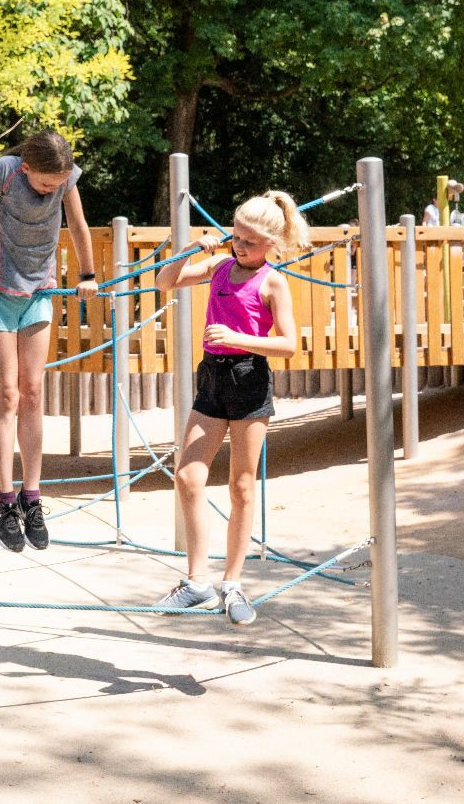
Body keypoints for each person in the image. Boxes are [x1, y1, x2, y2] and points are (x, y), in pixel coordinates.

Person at [151, 190, 308, 624]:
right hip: (213, 377)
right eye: (236, 237)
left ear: (271, 244)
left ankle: (233, 583)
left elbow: (289, 344)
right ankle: (196, 582)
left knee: (241, 486)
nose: (239, 246)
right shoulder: (219, 267)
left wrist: (238, 339)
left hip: (249, 378)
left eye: (250, 242)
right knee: (187, 476)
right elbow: (165, 281)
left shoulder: (273, 282)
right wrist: (188, 250)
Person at [0, 131, 99, 552]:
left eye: (57, 184)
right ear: (27, 168)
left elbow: (78, 225)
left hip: (39, 295)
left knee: (33, 391)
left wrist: (87, 275)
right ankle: (5, 499)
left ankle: (32, 496)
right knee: (7, 393)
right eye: (45, 183)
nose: (50, 190)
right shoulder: (5, 173)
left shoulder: (65, 179)